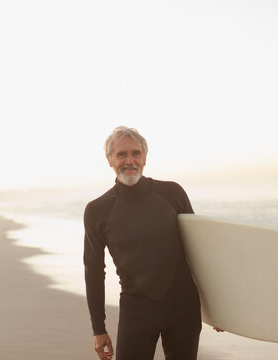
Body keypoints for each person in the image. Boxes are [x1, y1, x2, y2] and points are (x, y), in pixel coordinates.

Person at [83, 126, 202, 360]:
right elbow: (94, 271)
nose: (130, 160)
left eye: (136, 153)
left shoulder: (172, 193)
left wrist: (219, 309)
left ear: (145, 158)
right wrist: (99, 328)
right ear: (110, 160)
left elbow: (199, 251)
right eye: (121, 154)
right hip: (136, 311)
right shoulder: (97, 210)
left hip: (183, 309)